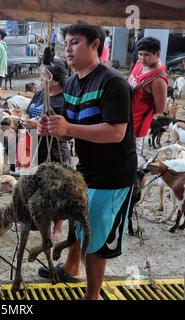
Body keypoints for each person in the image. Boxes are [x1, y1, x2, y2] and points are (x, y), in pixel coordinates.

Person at [37, 25, 137, 300]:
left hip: (114, 174)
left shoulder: (113, 82)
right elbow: (69, 125)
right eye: (66, 43)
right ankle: (70, 266)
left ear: (95, 45)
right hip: (87, 168)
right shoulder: (71, 82)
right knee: (79, 220)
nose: (67, 49)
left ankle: (92, 295)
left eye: (75, 42)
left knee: (96, 237)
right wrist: (51, 127)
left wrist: (69, 129)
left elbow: (116, 132)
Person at [23, 60, 71, 241]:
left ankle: (58, 226)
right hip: (35, 145)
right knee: (33, 183)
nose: (41, 78)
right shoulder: (40, 94)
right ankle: (35, 220)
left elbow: (64, 126)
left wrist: (37, 124)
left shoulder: (63, 100)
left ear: (55, 80)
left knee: (57, 187)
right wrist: (27, 119)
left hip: (55, 148)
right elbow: (29, 112)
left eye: (44, 75)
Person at [127, 37, 167, 164]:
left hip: (138, 127)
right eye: (140, 54)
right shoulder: (140, 63)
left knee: (133, 162)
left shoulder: (158, 79)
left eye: (147, 55)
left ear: (157, 54)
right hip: (124, 120)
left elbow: (161, 108)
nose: (142, 58)